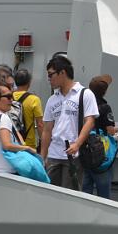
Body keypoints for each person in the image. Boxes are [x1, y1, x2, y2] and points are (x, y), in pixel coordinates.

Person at [41, 55, 99, 191]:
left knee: (70, 193)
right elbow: (47, 129)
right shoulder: (52, 99)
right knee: (49, 192)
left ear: (62, 72)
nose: (49, 79)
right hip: (53, 154)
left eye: (51, 75)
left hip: (74, 154)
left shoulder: (84, 94)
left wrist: (77, 144)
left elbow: (90, 121)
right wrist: (42, 156)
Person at [82, 75, 118, 199]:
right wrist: (116, 129)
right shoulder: (104, 107)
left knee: (85, 188)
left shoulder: (84, 104)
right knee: (103, 193)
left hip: (85, 148)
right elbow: (110, 130)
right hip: (100, 151)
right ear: (104, 92)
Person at [12, 69, 43, 149]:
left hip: (11, 141)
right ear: (29, 82)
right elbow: (40, 124)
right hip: (28, 143)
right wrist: (42, 141)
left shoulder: (8, 97)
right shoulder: (34, 99)